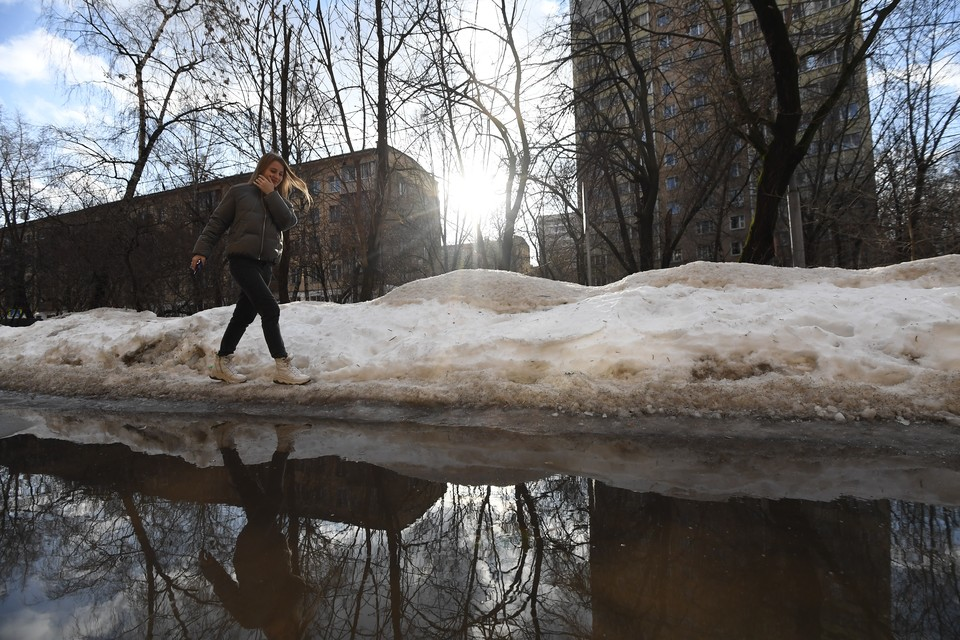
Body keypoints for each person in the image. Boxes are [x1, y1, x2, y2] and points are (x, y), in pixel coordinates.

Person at [191, 152, 311, 385]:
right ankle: (282, 365)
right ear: (261, 170)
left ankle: (222, 362)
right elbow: (216, 223)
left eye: (280, 173)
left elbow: (288, 222)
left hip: (265, 265)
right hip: (242, 261)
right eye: (272, 171)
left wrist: (270, 194)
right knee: (270, 310)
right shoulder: (239, 193)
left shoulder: (280, 201)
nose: (276, 176)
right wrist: (201, 251)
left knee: (244, 314)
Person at [199, 423, 314, 639]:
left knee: (274, 500)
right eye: (289, 632)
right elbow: (297, 584)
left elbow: (226, 590)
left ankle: (282, 444)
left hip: (251, 549)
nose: (282, 631)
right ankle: (225, 444)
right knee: (249, 491)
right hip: (271, 541)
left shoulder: (249, 619)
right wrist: (286, 608)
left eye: (282, 636)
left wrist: (210, 567)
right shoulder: (286, 606)